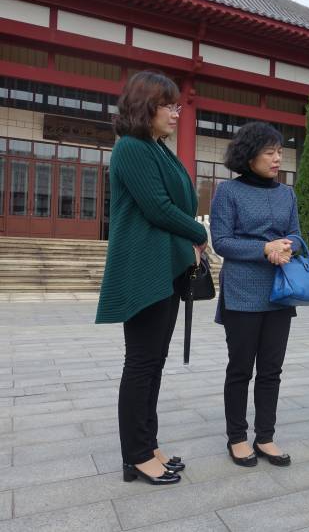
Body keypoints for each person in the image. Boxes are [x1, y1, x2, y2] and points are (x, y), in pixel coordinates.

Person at [96, 71, 208, 485]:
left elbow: (177, 201)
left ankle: (149, 443)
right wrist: (199, 233)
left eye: (178, 105)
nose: (177, 113)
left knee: (153, 362)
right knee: (142, 362)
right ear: (146, 106)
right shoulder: (132, 148)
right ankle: (136, 455)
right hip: (143, 269)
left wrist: (189, 237)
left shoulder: (158, 149)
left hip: (165, 268)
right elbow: (159, 207)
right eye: (169, 105)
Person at [209, 122, 301, 468]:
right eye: (270, 152)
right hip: (242, 292)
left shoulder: (286, 194)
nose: (277, 158)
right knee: (240, 369)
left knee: (271, 370)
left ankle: (266, 436)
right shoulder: (228, 193)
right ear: (250, 156)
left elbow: (296, 234)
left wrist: (286, 247)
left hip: (279, 292)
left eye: (279, 151)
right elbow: (223, 242)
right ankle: (237, 437)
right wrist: (265, 248)